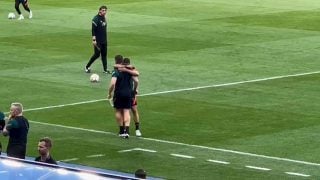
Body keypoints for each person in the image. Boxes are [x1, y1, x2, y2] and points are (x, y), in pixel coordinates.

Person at [108, 57, 139, 138]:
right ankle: (127, 131)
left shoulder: (116, 71)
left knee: (118, 111)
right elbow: (136, 81)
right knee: (126, 111)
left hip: (118, 94)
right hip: (128, 94)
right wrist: (135, 89)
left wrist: (109, 93)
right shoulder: (130, 71)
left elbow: (112, 84)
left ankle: (121, 131)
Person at [85, 5, 111, 74]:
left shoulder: (104, 18)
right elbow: (93, 30)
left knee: (104, 55)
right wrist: (94, 40)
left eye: (105, 10)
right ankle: (87, 66)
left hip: (104, 40)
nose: (104, 12)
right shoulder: (95, 19)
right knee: (96, 54)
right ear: (99, 10)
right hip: (98, 41)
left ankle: (105, 69)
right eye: (103, 10)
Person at [122, 58, 142, 137]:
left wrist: (135, 90)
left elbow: (136, 80)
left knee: (131, 110)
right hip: (127, 93)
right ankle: (127, 129)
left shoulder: (130, 70)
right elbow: (136, 80)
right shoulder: (121, 70)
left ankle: (136, 129)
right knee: (131, 110)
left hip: (129, 93)